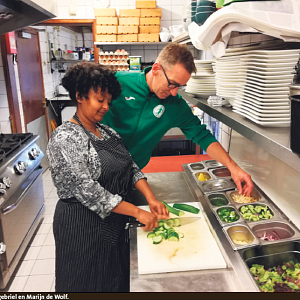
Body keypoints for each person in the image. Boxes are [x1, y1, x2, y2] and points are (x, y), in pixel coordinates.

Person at [46, 62, 169, 292]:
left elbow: (130, 166)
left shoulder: (107, 131)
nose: (105, 107)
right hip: (81, 228)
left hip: (114, 223)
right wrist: (136, 211)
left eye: (108, 101)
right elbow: (88, 190)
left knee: (114, 281)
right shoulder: (65, 137)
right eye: (99, 100)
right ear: (80, 96)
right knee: (84, 283)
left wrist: (150, 198)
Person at [102, 43, 254, 197]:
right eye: (172, 84)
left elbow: (202, 136)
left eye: (179, 87)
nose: (174, 93)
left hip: (131, 177)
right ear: (156, 69)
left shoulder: (175, 106)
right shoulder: (118, 83)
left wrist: (233, 167)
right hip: (95, 172)